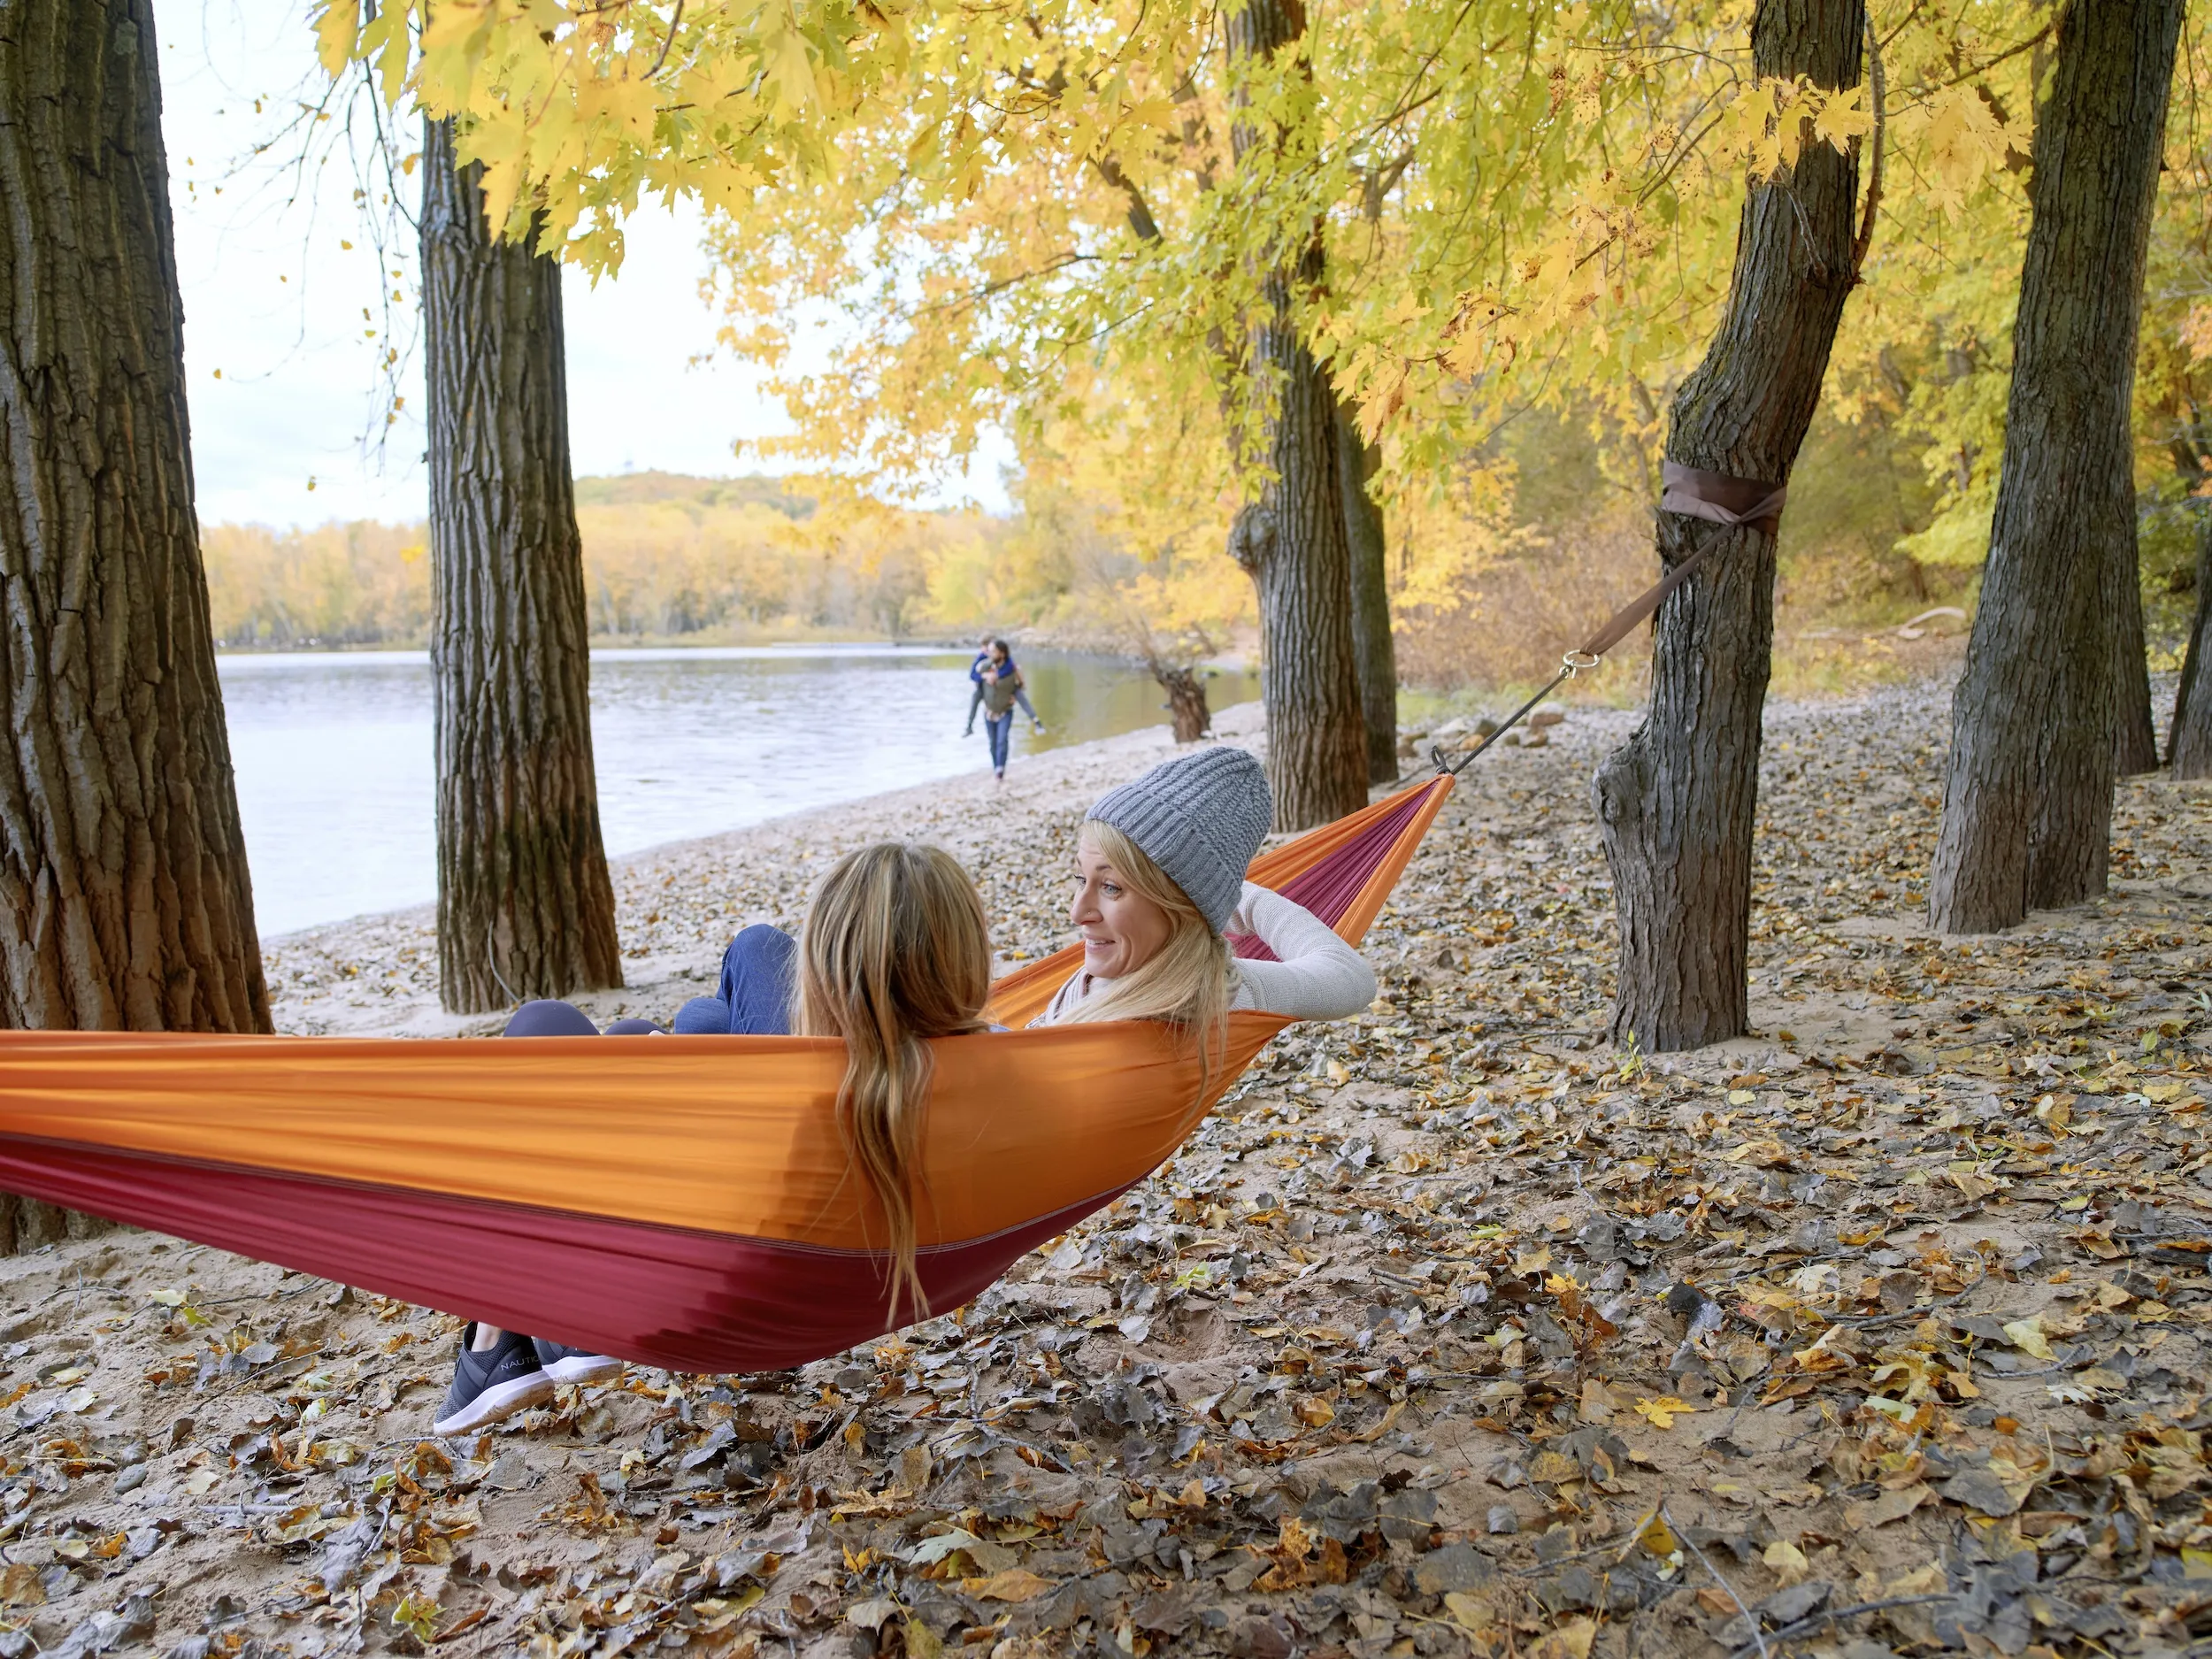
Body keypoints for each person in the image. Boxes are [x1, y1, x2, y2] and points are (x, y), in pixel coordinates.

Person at [437, 845, 996, 1432]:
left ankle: (510, 1330)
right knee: (691, 1019)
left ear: (835, 963)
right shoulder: (998, 1070)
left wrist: (678, 1105)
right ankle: (503, 1339)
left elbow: (757, 1171)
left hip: (720, 1262)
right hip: (814, 1231)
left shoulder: (822, 1102)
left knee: (546, 1022)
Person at [1035, 747, 1376, 1047]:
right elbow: (1345, 975)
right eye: (1081, 879)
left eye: (1111, 887)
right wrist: (1227, 899)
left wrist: (1216, 897)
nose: (1077, 913)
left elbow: (1353, 979)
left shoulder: (1195, 1000)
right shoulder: (1225, 987)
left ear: (1181, 903)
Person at [963, 634, 1043, 738]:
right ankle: (969, 726)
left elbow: (1011, 668)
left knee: (1020, 697)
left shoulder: (1008, 663)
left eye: (990, 649)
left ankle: (1036, 721)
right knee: (976, 696)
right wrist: (985, 676)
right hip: (988, 700)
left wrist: (997, 676)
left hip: (1004, 704)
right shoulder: (982, 659)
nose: (987, 651)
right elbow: (973, 675)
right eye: (986, 649)